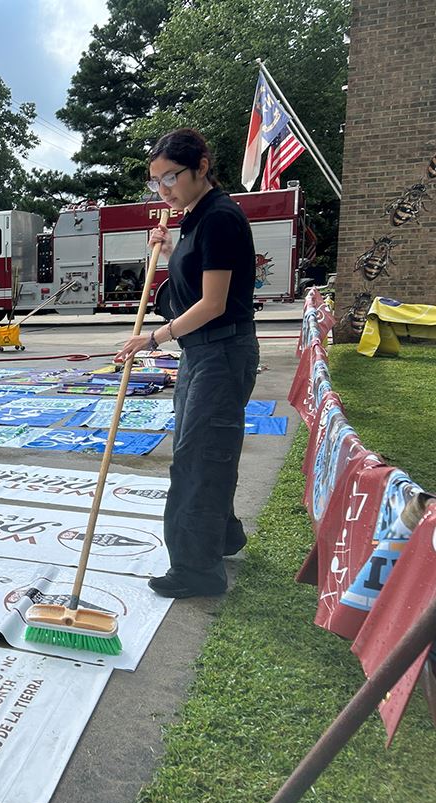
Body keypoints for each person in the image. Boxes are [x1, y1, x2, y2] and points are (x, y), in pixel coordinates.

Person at [115, 128, 260, 599]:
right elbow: (196, 279)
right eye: (156, 182)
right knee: (205, 449)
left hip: (220, 350)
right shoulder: (195, 218)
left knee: (198, 458)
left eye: (171, 177)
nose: (164, 190)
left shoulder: (219, 218)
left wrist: (152, 339)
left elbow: (214, 303)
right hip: (203, 352)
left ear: (201, 165)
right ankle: (222, 536)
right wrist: (170, 249)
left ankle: (197, 570)